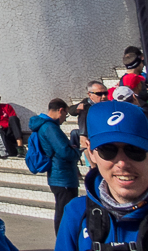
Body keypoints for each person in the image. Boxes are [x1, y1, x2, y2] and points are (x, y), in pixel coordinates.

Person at [57, 100, 148, 250]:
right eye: (108, 150)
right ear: (91, 152)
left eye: (134, 150)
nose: (122, 163)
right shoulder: (76, 213)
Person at [27, 99, 80, 234]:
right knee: (65, 213)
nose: (64, 119)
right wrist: (77, 152)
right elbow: (64, 151)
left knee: (62, 210)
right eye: (65, 114)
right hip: (63, 176)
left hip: (58, 176)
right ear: (60, 110)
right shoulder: (50, 127)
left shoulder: (44, 126)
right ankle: (64, 243)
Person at [68, 80, 108, 153]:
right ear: (90, 95)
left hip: (103, 133)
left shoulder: (109, 104)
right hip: (89, 135)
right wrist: (77, 108)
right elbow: (71, 110)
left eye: (105, 93)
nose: (104, 96)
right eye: (99, 94)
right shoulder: (86, 104)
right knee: (75, 132)